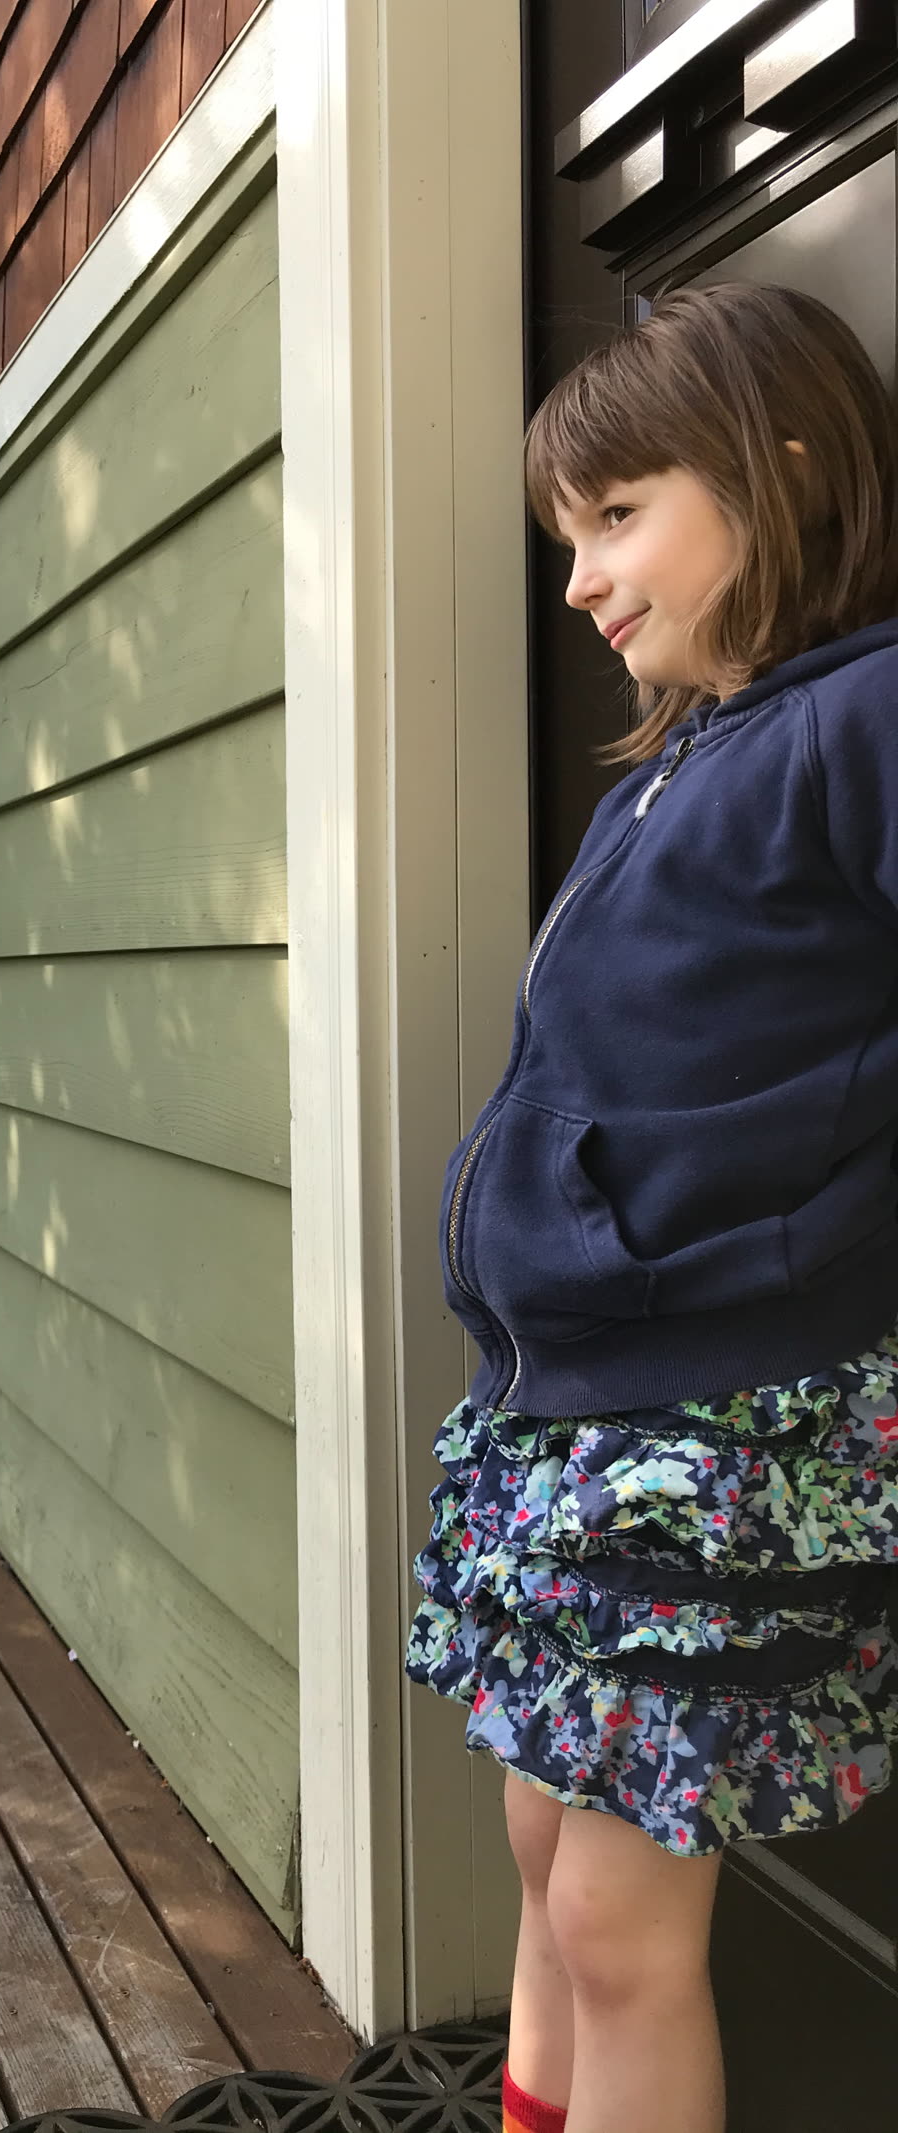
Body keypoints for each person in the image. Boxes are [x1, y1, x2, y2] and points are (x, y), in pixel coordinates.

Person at [404, 280, 898, 2133]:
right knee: (545, 1847)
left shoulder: (868, 717)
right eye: (570, 534)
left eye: (618, 516)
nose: (580, 579)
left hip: (726, 1413)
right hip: (573, 1395)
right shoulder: (671, 764)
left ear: (783, 476)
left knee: (621, 1916)